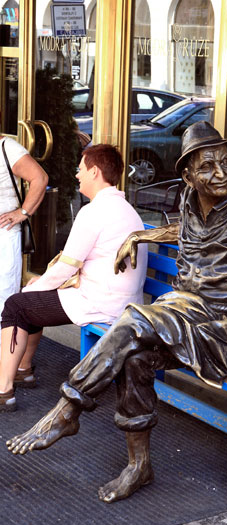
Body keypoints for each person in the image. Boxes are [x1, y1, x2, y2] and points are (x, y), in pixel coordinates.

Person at [6, 122, 227, 504]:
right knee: (133, 357)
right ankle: (139, 466)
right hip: (184, 318)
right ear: (188, 175)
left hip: (222, 334)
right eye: (206, 167)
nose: (219, 174)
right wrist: (140, 235)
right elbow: (186, 232)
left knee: (136, 318)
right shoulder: (189, 201)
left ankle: (66, 411)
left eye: (224, 163)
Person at [0, 143, 147, 411]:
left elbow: (68, 265)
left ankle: (4, 390)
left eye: (80, 169)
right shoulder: (127, 209)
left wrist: (36, 287)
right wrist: (41, 286)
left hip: (100, 303)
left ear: (95, 172)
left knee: (16, 304)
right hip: (118, 301)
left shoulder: (95, 212)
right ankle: (22, 370)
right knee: (33, 301)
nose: (77, 175)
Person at [0, 136, 48, 347]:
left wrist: (24, 212)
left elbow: (40, 178)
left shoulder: (7, 147)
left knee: (3, 299)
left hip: (4, 233)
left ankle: (5, 363)